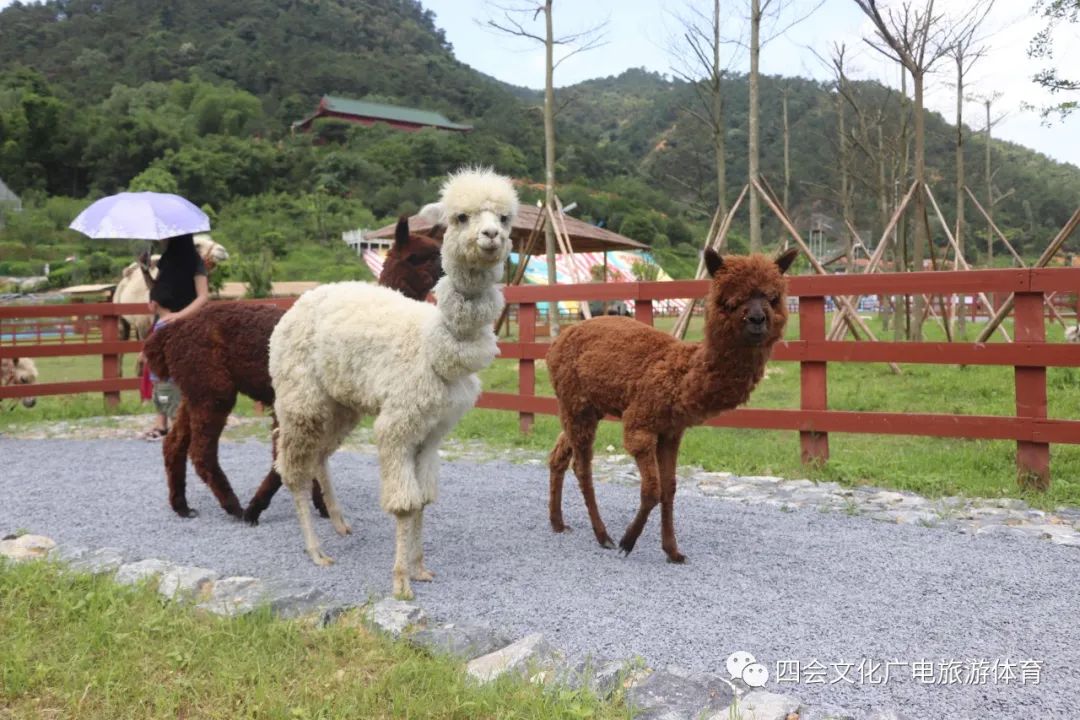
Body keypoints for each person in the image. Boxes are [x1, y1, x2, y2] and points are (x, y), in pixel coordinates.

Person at [138, 233, 210, 439]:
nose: (161, 240)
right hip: (163, 322)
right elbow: (157, 290)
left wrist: (180, 315)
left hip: (183, 323)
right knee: (158, 372)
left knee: (177, 375)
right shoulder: (165, 261)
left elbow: (203, 296)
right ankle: (161, 424)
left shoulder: (195, 262)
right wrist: (144, 270)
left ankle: (180, 422)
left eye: (164, 237)